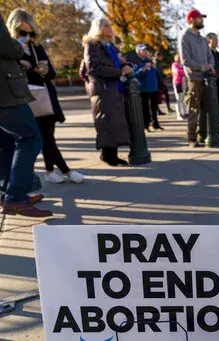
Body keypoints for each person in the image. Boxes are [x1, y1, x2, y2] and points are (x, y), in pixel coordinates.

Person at [7, 9, 84, 185]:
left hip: (45, 97)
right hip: (26, 99)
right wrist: (21, 67)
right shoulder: (10, 49)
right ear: (14, 30)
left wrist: (45, 70)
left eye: (30, 32)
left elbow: (52, 73)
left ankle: (49, 171)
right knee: (45, 138)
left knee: (48, 136)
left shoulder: (37, 47)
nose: (27, 36)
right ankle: (67, 171)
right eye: (22, 32)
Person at [0, 13, 52, 217]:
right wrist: (17, 46)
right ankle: (15, 198)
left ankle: (9, 193)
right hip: (5, 93)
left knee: (6, 143)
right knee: (30, 138)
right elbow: (6, 47)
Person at [83, 19, 132, 166]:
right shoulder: (92, 45)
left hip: (114, 87)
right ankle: (107, 155)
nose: (110, 28)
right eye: (106, 26)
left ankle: (112, 155)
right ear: (98, 28)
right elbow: (94, 68)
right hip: (103, 89)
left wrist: (127, 65)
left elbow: (120, 61)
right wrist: (119, 72)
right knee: (106, 122)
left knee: (115, 122)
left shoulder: (110, 45)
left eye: (110, 25)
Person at [178, 8, 215, 148]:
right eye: (199, 18)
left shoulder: (203, 39)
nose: (202, 20)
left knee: (205, 109)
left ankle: (203, 135)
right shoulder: (185, 37)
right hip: (194, 79)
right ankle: (191, 138)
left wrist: (210, 66)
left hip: (206, 79)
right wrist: (204, 67)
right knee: (194, 109)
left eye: (202, 18)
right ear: (191, 20)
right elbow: (186, 61)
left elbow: (210, 56)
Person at [134, 44, 163, 132]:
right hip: (143, 88)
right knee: (145, 108)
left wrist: (154, 68)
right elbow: (134, 75)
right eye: (143, 50)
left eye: (146, 50)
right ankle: (146, 126)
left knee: (154, 107)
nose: (145, 51)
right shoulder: (136, 62)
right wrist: (142, 69)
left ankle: (155, 124)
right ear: (138, 52)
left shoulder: (150, 61)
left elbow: (156, 74)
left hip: (153, 87)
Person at [206, 33, 219, 132]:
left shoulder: (217, 53)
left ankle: (218, 125)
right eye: (215, 39)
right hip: (211, 84)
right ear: (209, 41)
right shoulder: (206, 53)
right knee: (212, 106)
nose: (217, 41)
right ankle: (212, 127)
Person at [153, 51, 173, 115]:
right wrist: (163, 79)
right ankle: (160, 110)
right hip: (158, 82)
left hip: (160, 81)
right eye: (161, 56)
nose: (162, 58)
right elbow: (158, 74)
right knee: (157, 97)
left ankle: (167, 108)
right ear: (158, 56)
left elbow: (160, 73)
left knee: (164, 94)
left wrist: (166, 75)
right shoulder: (155, 63)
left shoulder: (158, 63)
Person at [172, 54, 188, 120]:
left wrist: (185, 71)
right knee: (178, 99)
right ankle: (179, 115)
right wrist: (185, 72)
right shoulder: (174, 65)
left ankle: (185, 113)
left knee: (183, 99)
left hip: (183, 83)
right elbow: (178, 72)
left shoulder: (182, 65)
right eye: (179, 58)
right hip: (178, 83)